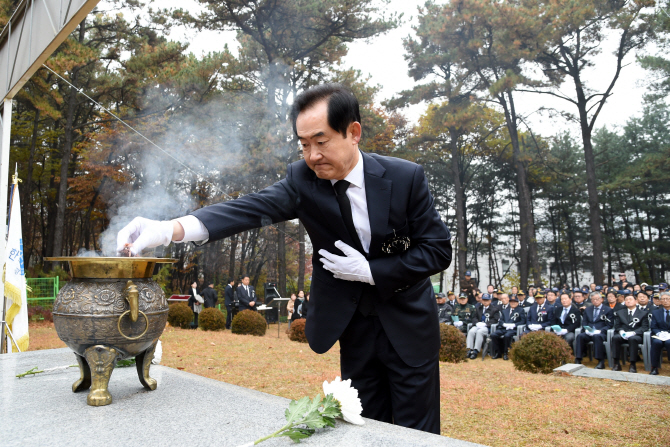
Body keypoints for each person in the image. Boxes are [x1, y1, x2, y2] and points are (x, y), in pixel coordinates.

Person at [116, 84, 453, 433]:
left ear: (353, 132)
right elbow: (244, 210)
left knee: (418, 432)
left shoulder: (404, 177)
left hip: (408, 323)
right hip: (354, 325)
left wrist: (371, 271)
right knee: (365, 426)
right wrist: (167, 229)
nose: (312, 156)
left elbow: (437, 249)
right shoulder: (302, 180)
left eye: (321, 142)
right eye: (304, 145)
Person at [611, 294, 649, 373]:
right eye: (626, 299)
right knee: (615, 338)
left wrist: (633, 332)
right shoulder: (620, 312)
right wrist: (621, 332)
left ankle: (632, 364)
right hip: (623, 334)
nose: (628, 301)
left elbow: (645, 327)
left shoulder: (643, 313)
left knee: (633, 339)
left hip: (636, 335)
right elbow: (617, 326)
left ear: (636, 301)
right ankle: (616, 363)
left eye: (630, 299)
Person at [574, 292, 613, 369]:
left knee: (597, 337)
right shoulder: (588, 310)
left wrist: (600, 331)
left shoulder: (608, 310)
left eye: (597, 299)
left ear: (601, 299)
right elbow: (584, 322)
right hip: (589, 331)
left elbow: (610, 325)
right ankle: (578, 358)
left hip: (601, 332)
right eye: (593, 299)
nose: (595, 301)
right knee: (580, 336)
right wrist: (586, 329)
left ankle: (600, 361)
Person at [490, 293, 525, 360]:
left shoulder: (521, 310)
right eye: (511, 302)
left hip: (512, 329)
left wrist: (514, 325)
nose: (513, 303)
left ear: (517, 302)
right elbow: (500, 320)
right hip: (503, 328)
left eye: (515, 302)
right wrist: (503, 324)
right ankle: (498, 352)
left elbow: (523, 321)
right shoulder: (505, 311)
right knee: (493, 335)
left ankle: (506, 353)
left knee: (507, 336)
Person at [466, 294, 500, 359]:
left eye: (487, 300)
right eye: (484, 300)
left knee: (479, 332)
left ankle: (476, 351)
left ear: (490, 301)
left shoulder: (494, 309)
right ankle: (470, 350)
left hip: (486, 327)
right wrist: (476, 323)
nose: (485, 302)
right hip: (478, 325)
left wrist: (486, 324)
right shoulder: (478, 308)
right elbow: (474, 317)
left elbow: (495, 320)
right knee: (471, 331)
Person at [649, 292, 670, 375]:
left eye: (667, 299)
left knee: (669, 342)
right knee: (656, 342)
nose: (665, 301)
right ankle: (654, 367)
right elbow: (653, 327)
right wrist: (659, 333)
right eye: (663, 299)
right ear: (660, 301)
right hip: (659, 335)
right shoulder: (656, 313)